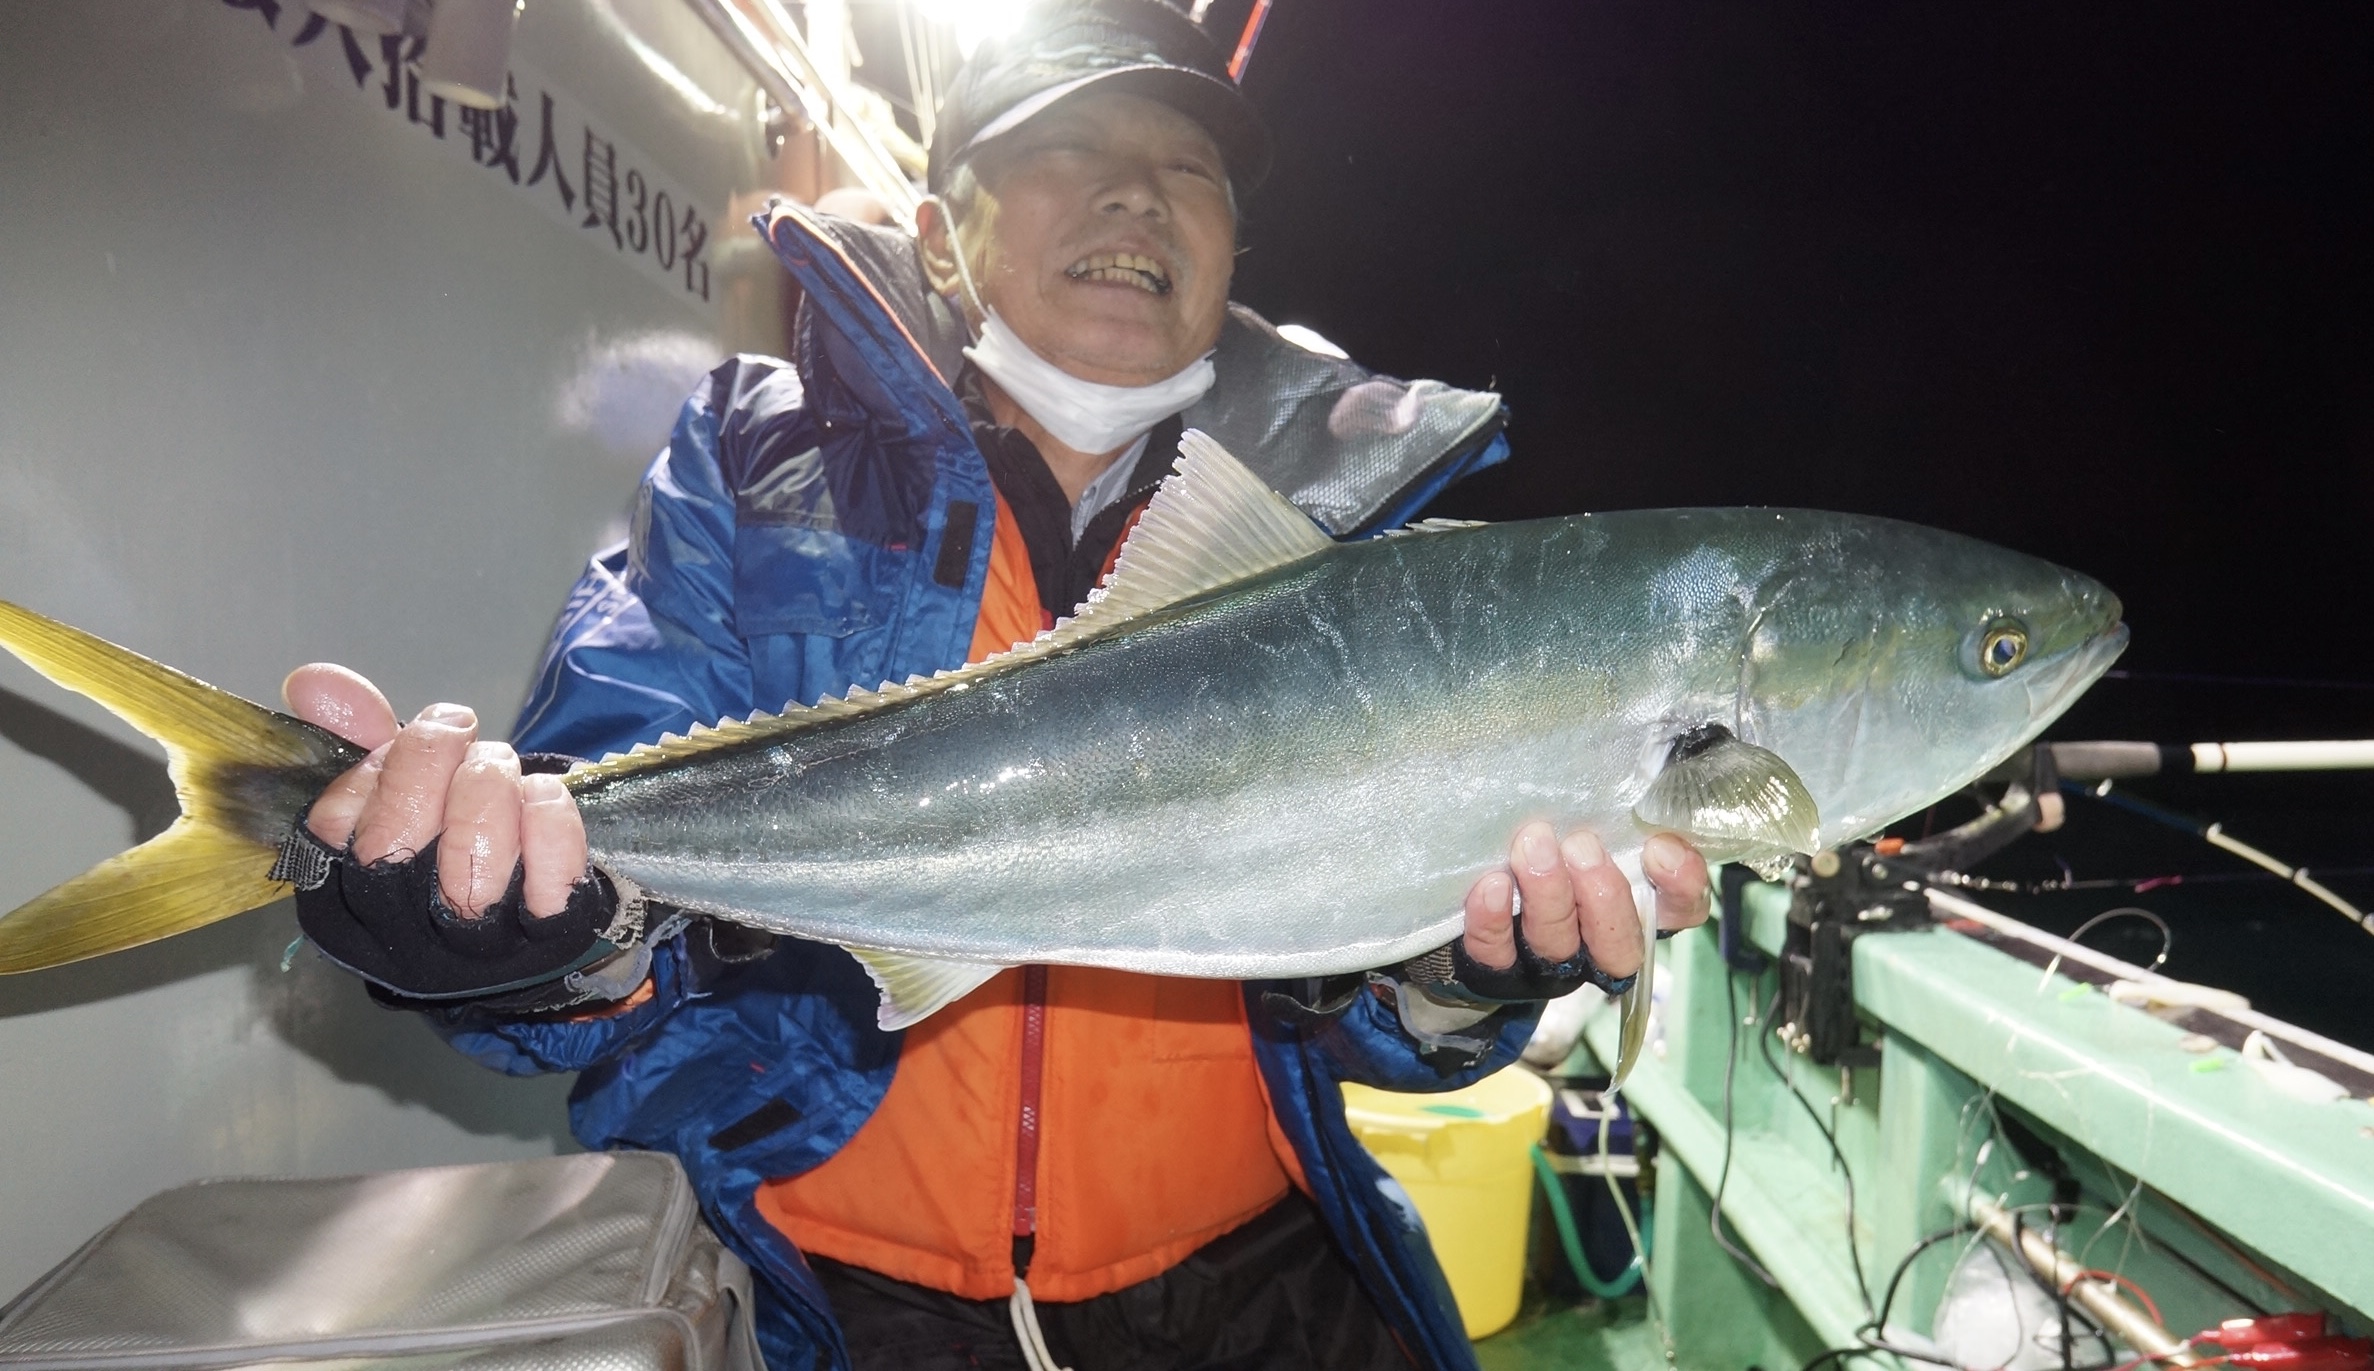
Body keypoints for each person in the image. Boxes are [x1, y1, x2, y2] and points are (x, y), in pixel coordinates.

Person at [278, 4, 1711, 1369]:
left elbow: (1372, 1021)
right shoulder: (755, 463)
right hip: (840, 1300)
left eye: (1188, 172)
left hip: (1257, 1282)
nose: (1136, 196)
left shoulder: (1350, 539)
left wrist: (1454, 982)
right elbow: (604, 880)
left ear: (1232, 250)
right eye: (1063, 148)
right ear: (937, 235)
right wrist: (534, 939)